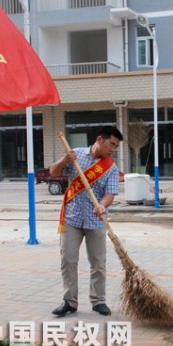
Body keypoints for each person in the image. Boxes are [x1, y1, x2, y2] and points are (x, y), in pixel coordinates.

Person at [50, 126, 123, 317]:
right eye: (111, 144)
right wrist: (64, 160)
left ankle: (98, 301)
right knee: (68, 260)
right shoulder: (75, 155)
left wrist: (103, 205)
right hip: (72, 218)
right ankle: (69, 301)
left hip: (96, 219)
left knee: (98, 262)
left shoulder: (110, 167)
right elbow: (53, 172)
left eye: (116, 147)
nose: (113, 149)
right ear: (100, 139)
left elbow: (110, 194)